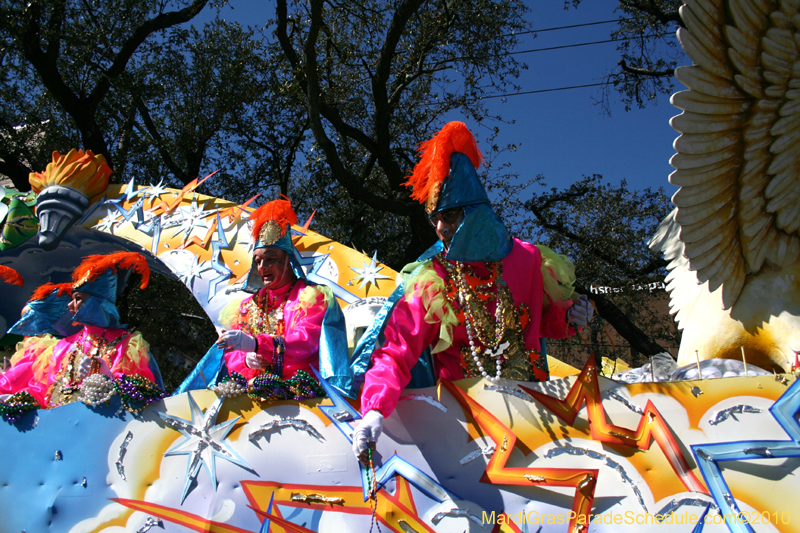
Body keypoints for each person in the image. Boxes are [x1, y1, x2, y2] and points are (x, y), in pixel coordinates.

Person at [350, 122, 593, 463]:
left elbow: (543, 321)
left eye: (449, 215)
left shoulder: (530, 260)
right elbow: (397, 350)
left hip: (533, 417)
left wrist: (571, 315)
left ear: (476, 211)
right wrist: (375, 409)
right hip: (462, 430)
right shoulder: (432, 278)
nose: (439, 227)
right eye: (434, 218)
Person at [177, 198, 352, 400]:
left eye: (270, 259)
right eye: (258, 261)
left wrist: (258, 345)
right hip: (254, 399)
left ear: (288, 261)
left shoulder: (311, 296)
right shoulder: (247, 306)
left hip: (303, 398)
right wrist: (246, 360)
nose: (262, 267)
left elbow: (307, 342)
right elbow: (231, 354)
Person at [0, 251, 163, 412]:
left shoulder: (126, 345)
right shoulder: (60, 347)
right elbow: (42, 394)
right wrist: (17, 401)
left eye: (78, 299)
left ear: (95, 302)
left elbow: (144, 396)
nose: (70, 305)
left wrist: (109, 380)